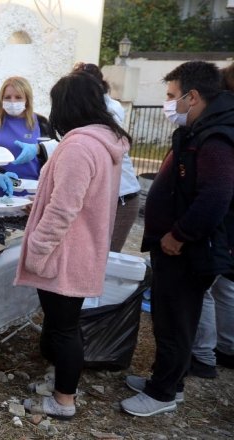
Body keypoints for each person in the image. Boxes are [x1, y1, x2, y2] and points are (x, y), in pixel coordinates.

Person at [121, 61, 234, 417]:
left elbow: (215, 196)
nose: (168, 103)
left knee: (176, 318)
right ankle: (170, 379)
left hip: (186, 248)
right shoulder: (200, 129)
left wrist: (179, 235)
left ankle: (163, 392)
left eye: (172, 97)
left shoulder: (215, 137)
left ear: (193, 96)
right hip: (174, 244)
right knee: (171, 317)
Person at [16, 71, 131, 419]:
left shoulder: (79, 146)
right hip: (80, 247)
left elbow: (64, 208)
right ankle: (59, 382)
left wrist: (37, 247)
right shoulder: (102, 140)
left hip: (64, 252)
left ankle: (64, 400)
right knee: (61, 323)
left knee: (64, 328)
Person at [190, 61, 234, 377]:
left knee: (203, 284)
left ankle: (204, 354)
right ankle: (226, 348)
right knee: (225, 284)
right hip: (226, 218)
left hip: (223, 219)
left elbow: (216, 192)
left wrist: (179, 233)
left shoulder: (219, 129)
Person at [72, 62, 142, 252]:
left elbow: (91, 146)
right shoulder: (90, 110)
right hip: (107, 198)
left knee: (105, 259)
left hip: (122, 198)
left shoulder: (108, 110)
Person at [0, 76, 51, 198]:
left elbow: (51, 159)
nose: (12, 101)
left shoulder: (42, 123)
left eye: (18, 97)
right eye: (7, 97)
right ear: (1, 100)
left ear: (27, 99)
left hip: (31, 193)